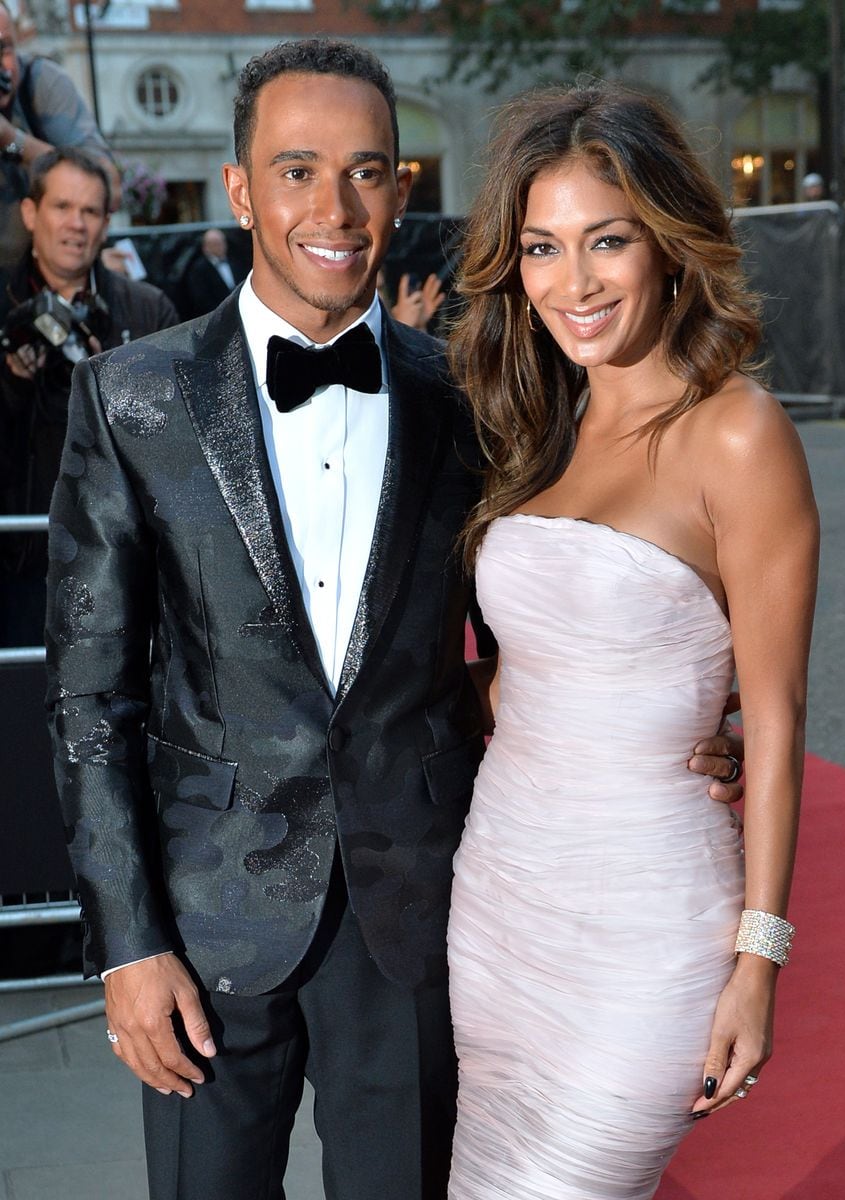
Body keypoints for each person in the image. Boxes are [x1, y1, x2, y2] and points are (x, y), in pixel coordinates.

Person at [45, 41, 745, 1200]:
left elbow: (541, 632)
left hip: (420, 909)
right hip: (205, 926)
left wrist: (679, 726)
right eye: (297, 170)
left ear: (403, 187)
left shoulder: (473, 397)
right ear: (238, 189)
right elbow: (87, 694)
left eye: (366, 171)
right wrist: (127, 942)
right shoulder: (133, 396)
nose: (334, 207)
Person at [445, 82, 818, 1200]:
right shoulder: (536, 425)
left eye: (605, 241)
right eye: (542, 249)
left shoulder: (736, 431)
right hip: (501, 900)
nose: (574, 283)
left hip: (647, 927)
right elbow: (522, 680)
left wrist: (756, 962)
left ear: (664, 242)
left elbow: (783, 710)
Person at [0, 146, 177, 647]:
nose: (76, 224)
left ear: (105, 223)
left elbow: (174, 448)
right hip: (20, 564)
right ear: (31, 213)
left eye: (90, 211)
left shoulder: (147, 311)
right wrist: (12, 383)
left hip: (121, 567)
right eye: (62, 207)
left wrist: (110, 388)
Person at [0, 0, 120, 270]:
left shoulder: (40, 82)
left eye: (2, 48)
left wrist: (12, 140)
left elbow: (108, 187)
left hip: (42, 281)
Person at [178, 226, 248, 318]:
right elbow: (201, 299)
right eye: (215, 244)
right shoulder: (198, 269)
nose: (220, 246)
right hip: (214, 317)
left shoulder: (235, 263)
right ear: (206, 247)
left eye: (222, 242)